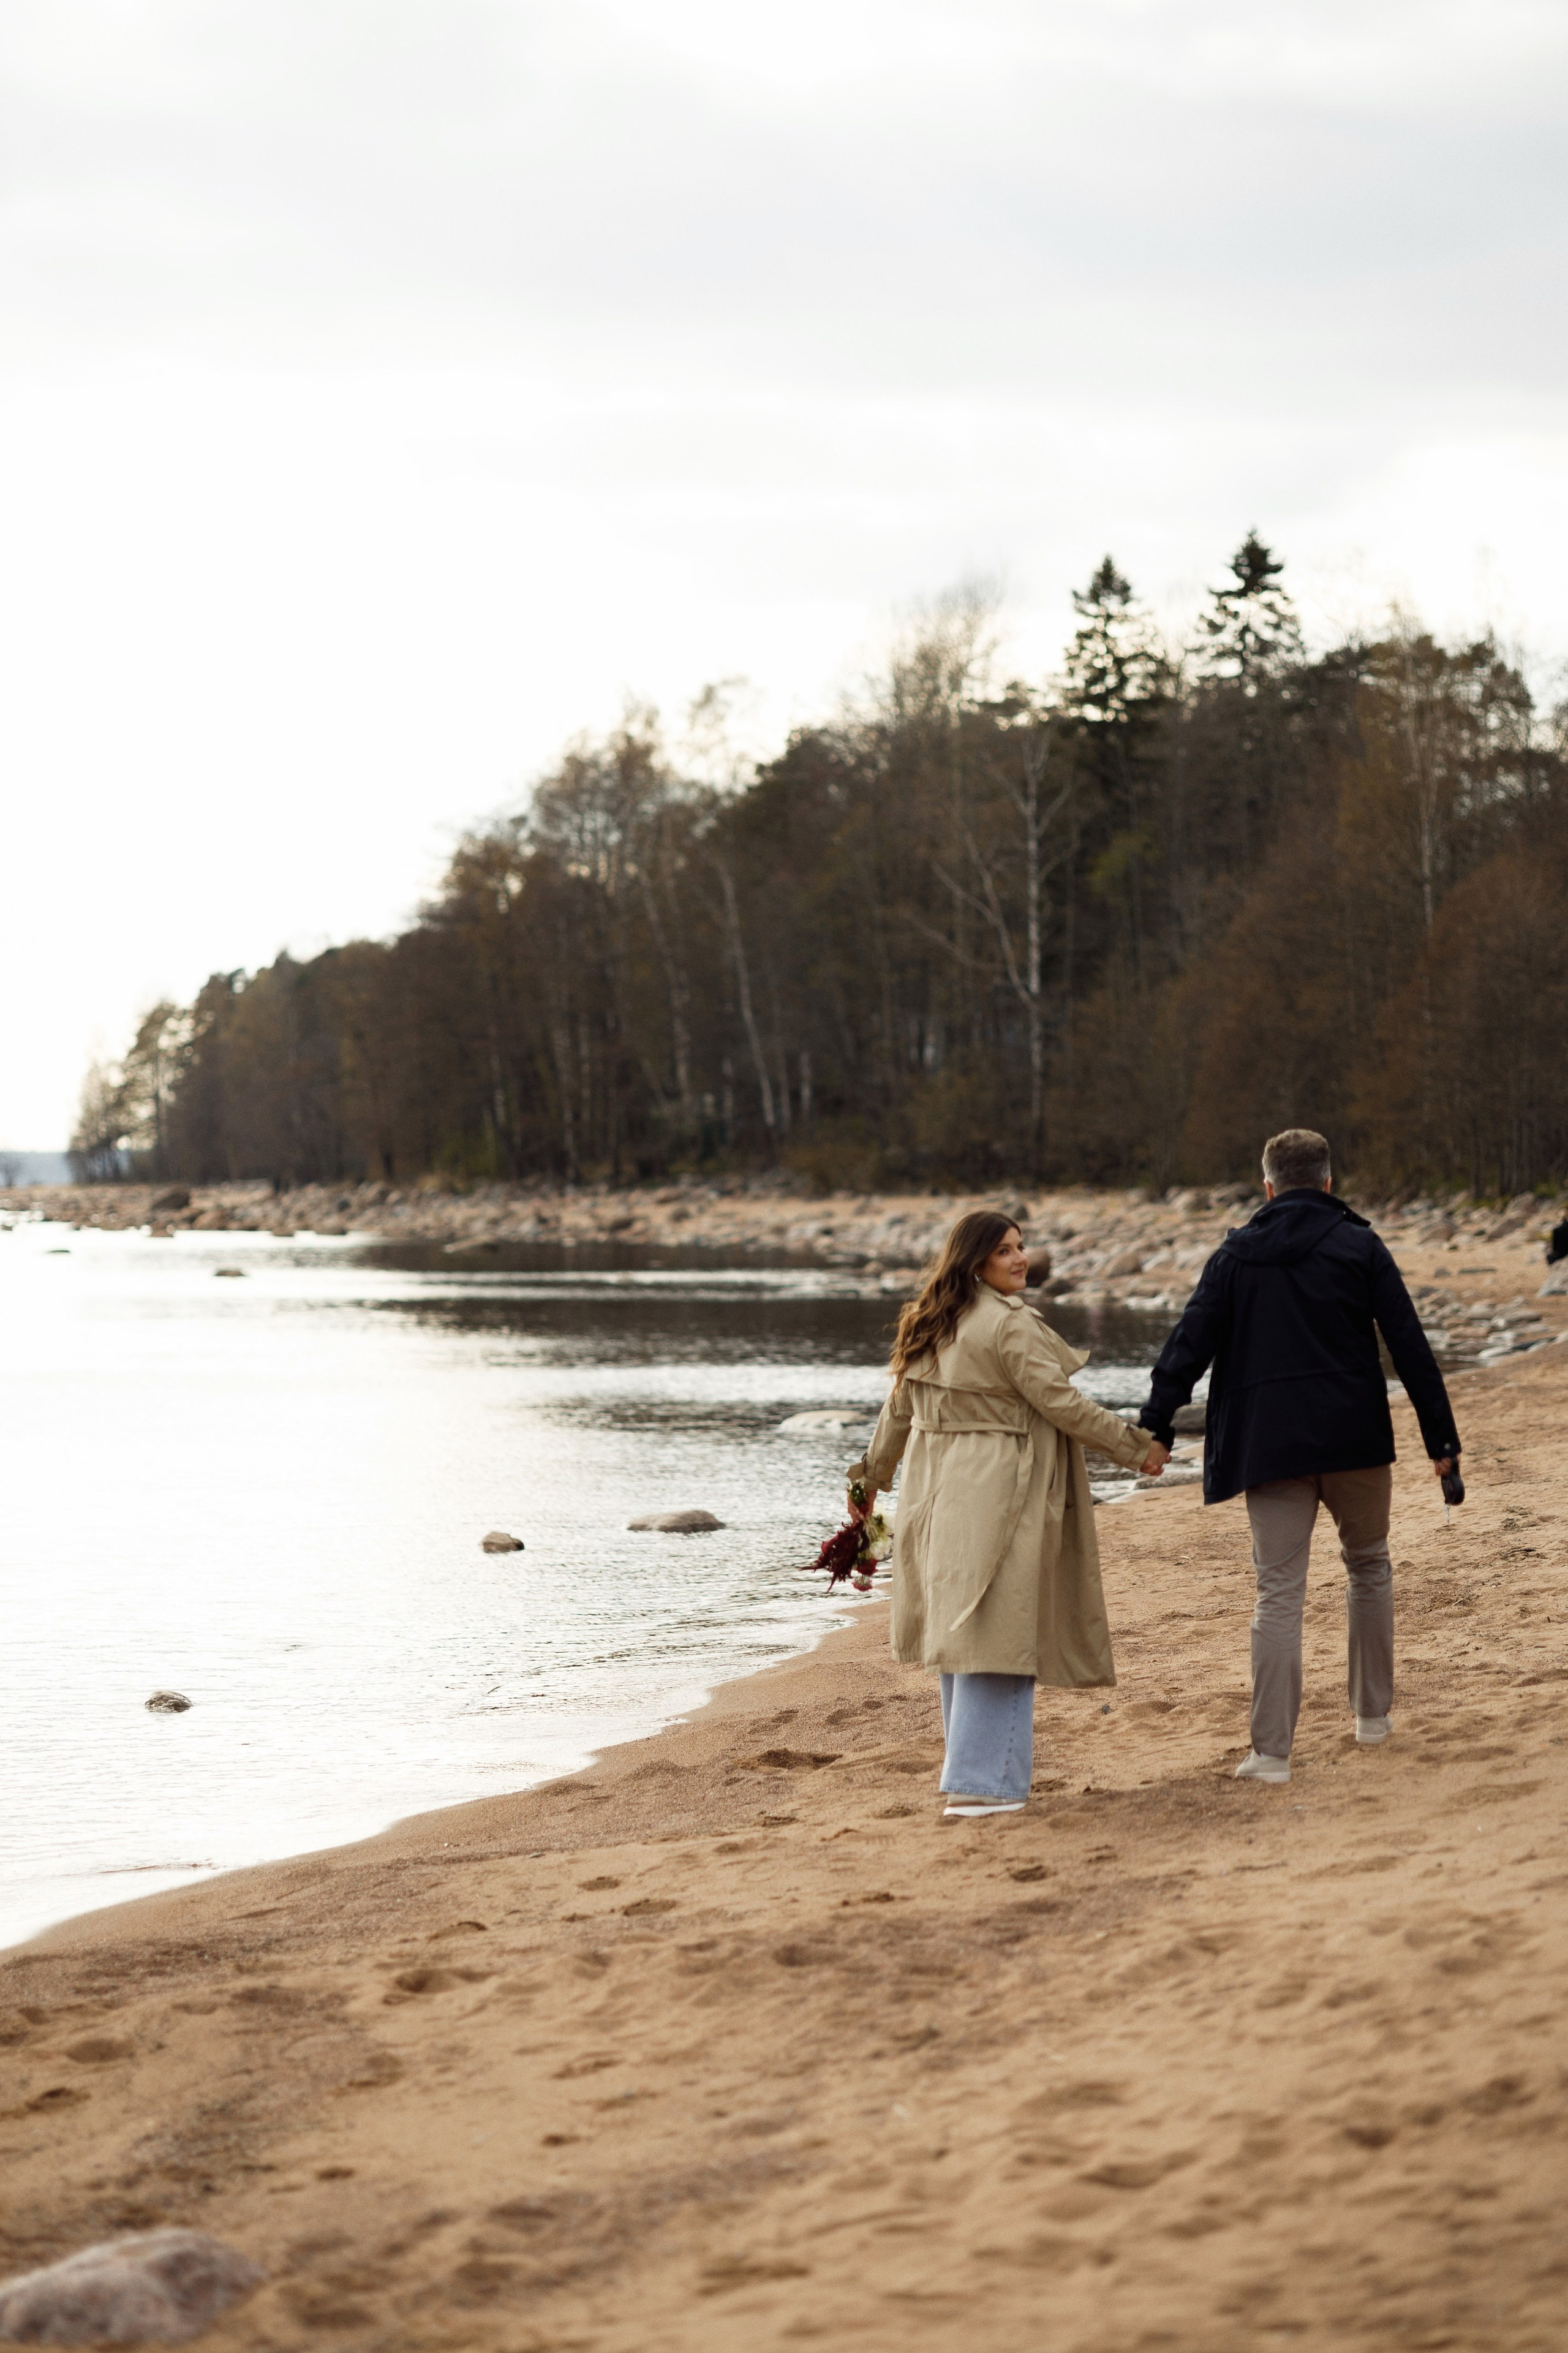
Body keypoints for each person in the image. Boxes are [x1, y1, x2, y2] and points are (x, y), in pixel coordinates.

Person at [1139, 1128, 1461, 1785]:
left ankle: (1272, 1755)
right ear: (1327, 1182)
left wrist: (1156, 1427)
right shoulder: (1359, 1244)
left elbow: (1187, 1345)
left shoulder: (1235, 1254)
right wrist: (1442, 1443)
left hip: (1270, 1444)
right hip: (1354, 1440)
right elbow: (1409, 1347)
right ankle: (1371, 1719)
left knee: (1277, 1591)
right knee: (1368, 1567)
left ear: (1266, 1187)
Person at [848, 1210, 1167, 1819]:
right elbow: (1062, 1404)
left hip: (931, 1491)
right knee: (999, 1627)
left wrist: (868, 1486)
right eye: (1005, 1251)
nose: (1021, 1258)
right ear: (974, 1261)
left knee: (961, 1626)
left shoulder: (927, 1320)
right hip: (997, 1487)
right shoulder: (1006, 1325)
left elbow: (894, 1417)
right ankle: (982, 1784)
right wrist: (1136, 1447)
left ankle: (969, 1775)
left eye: (1021, 1247)